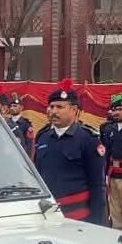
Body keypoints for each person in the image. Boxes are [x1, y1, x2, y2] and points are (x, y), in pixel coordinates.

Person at [33, 80, 106, 225]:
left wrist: (97, 221)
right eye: (51, 106)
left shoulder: (88, 139)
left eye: (60, 107)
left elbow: (97, 184)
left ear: (73, 110)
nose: (53, 111)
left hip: (78, 216)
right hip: (48, 214)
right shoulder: (43, 137)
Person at [101, 93, 122, 231]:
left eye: (120, 109)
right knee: (114, 207)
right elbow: (105, 153)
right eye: (114, 110)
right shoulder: (109, 129)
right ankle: (116, 232)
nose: (117, 112)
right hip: (112, 173)